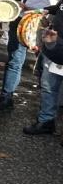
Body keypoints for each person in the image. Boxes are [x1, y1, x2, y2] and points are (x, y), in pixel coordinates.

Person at [22, 7, 63, 135]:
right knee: (48, 86)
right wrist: (45, 10)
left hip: (56, 45)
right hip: (54, 48)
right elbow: (58, 8)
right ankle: (46, 121)